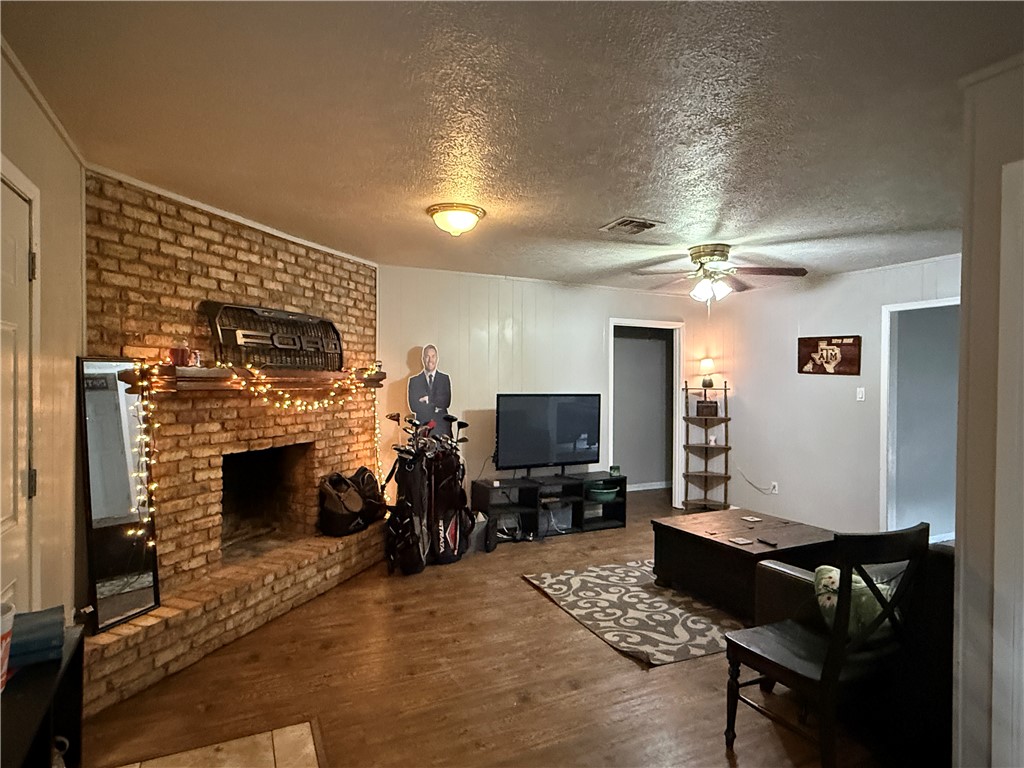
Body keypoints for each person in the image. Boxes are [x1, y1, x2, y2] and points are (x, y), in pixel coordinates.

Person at [408, 344, 452, 437]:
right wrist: (436, 406)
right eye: (427, 356)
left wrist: (428, 400)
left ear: (437, 358)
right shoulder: (414, 381)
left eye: (433, 356)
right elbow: (413, 406)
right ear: (423, 359)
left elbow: (446, 402)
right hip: (422, 428)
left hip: (442, 428)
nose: (430, 360)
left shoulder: (444, 379)